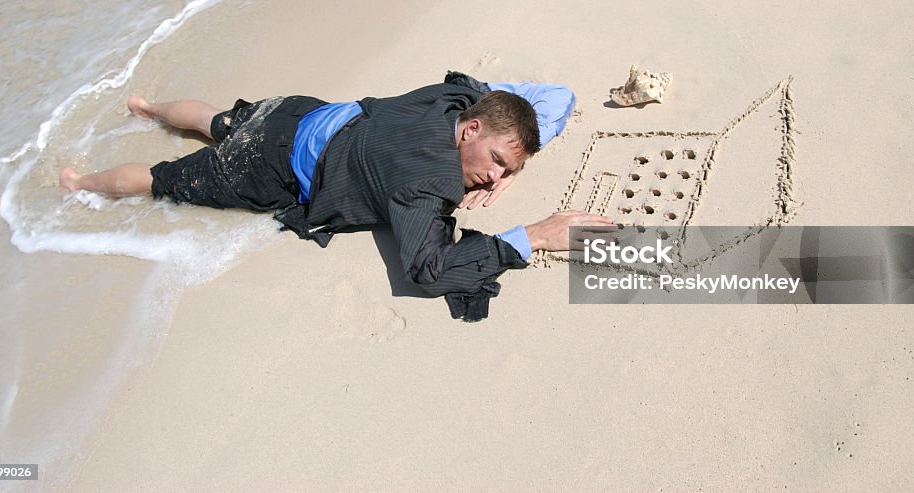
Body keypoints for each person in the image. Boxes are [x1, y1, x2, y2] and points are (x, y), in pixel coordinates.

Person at [60, 72, 613, 321]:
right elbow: (426, 271)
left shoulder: (459, 98)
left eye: (505, 171)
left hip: (301, 111)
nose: (494, 180)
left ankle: (148, 108)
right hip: (267, 167)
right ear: (470, 133)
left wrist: (509, 159)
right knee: (162, 179)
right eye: (495, 162)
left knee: (219, 120)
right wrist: (535, 235)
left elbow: (550, 96)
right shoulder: (422, 186)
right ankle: (79, 185)